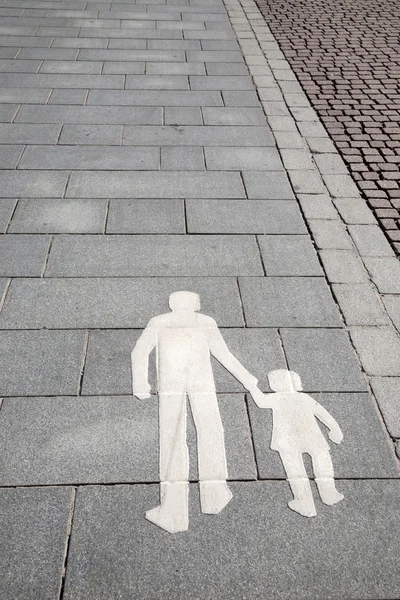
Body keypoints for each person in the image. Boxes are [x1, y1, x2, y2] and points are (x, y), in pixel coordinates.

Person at [131, 291, 258, 533]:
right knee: (211, 430)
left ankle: (172, 511)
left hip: (171, 384)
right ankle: (215, 494)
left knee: (172, 438)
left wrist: (141, 384)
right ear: (194, 304)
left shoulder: (159, 321)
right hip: (202, 383)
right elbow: (223, 354)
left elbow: (139, 352)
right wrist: (247, 379)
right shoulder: (205, 321)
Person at [251, 369, 344, 517]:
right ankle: (329, 492)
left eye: (273, 381)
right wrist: (335, 429)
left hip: (287, 440)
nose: (271, 384)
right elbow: (323, 414)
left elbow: (261, 401)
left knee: (295, 470)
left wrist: (252, 388)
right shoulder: (304, 398)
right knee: (322, 460)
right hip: (312, 436)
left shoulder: (277, 398)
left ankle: (304, 500)